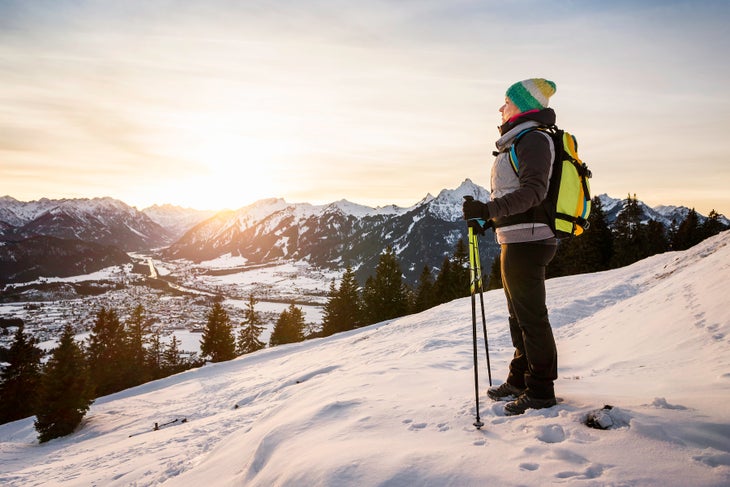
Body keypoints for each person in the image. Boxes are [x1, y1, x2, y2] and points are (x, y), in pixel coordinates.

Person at [462, 78, 559, 415]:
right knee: (518, 317)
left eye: (506, 101)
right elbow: (514, 197)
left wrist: (489, 211)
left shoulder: (533, 139)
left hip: (530, 240)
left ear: (523, 105)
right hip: (517, 237)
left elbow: (534, 193)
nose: (501, 108)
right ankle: (520, 379)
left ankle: (541, 391)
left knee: (532, 319)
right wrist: (490, 220)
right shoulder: (517, 140)